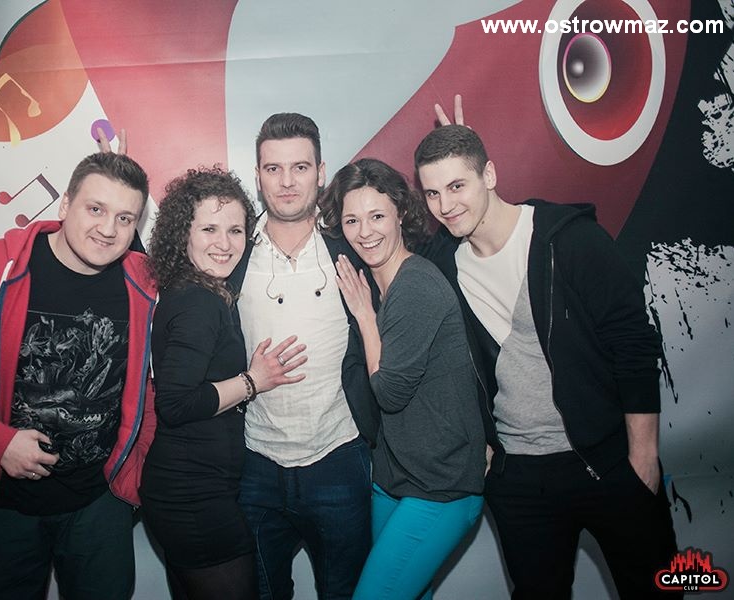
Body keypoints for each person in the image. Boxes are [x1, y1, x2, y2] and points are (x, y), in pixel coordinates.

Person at [414, 121, 681, 599]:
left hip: (607, 461)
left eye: (457, 186)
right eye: (432, 193)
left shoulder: (568, 240)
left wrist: (642, 456)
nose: (445, 205)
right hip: (520, 480)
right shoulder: (445, 268)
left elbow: (633, 344)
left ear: (489, 175)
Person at [0, 152, 156, 600]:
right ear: (65, 204)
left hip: (100, 503)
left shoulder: (144, 284)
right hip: (3, 505)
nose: (108, 229)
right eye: (95, 209)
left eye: (125, 218)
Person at [226, 113, 380, 600]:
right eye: (273, 169)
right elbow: (159, 270)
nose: (287, 181)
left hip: (339, 457)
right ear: (258, 176)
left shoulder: (352, 247)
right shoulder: (232, 253)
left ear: (321, 172)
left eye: (300, 167)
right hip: (255, 463)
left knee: (347, 593)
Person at [317, 158, 485, 599]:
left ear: (400, 215)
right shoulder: (379, 286)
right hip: (393, 479)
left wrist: (364, 317)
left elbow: (389, 393)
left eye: (377, 216)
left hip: (441, 487)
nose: (365, 232)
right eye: (352, 220)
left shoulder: (414, 285)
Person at [139, 166, 307, 600]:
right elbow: (176, 403)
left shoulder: (195, 290)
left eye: (235, 230)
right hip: (192, 497)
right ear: (184, 233)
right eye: (209, 229)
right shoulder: (198, 302)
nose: (224, 243)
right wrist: (254, 380)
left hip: (191, 491)